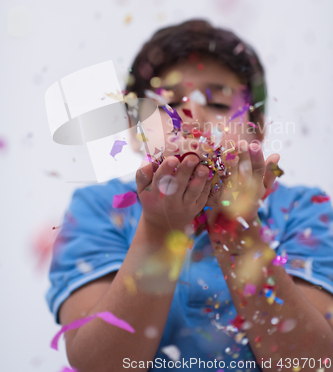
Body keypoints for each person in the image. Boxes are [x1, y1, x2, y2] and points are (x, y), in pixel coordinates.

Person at [46, 20, 333, 372]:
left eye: (217, 103)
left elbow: (311, 363)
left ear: (256, 127)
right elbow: (99, 365)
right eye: (166, 103)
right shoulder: (96, 209)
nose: (192, 119)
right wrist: (161, 228)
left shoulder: (304, 211)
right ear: (135, 132)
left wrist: (235, 224)